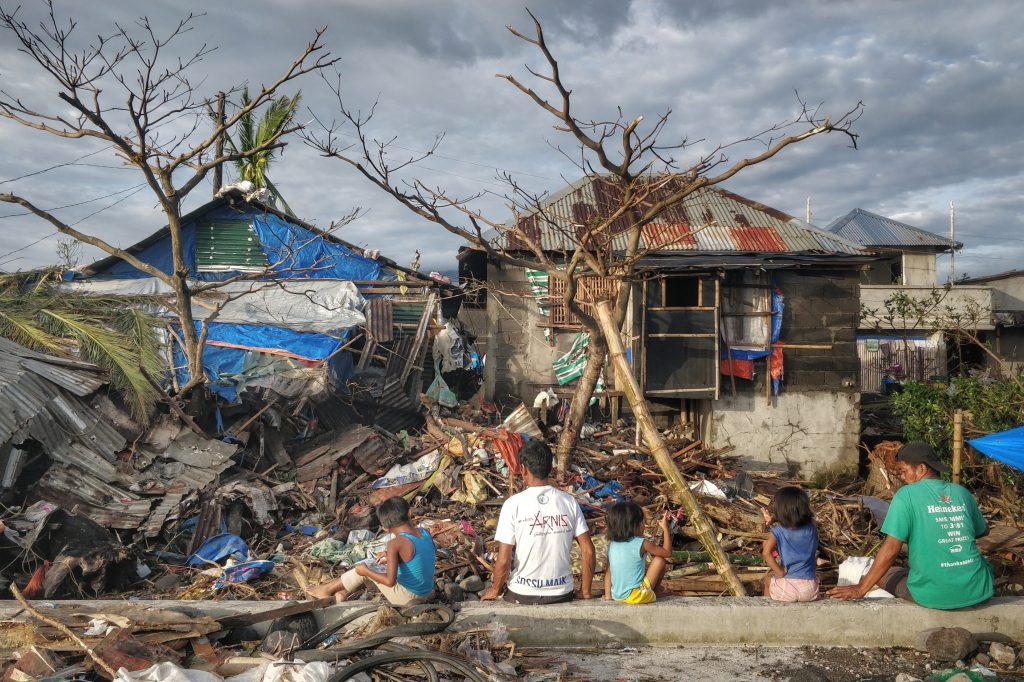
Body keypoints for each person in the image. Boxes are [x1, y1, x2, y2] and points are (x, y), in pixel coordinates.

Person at [828, 441, 993, 609]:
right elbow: (983, 530)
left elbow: (891, 548)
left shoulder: (906, 495)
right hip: (978, 590)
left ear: (921, 469)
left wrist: (860, 589)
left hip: (936, 595)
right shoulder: (961, 492)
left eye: (903, 471)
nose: (902, 477)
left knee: (881, 574)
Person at [480, 440, 595, 603]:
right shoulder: (569, 502)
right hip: (562, 593)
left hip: (523, 593)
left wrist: (495, 590)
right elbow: (588, 551)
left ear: (524, 469)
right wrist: (585, 591)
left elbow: (504, 559)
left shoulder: (513, 504)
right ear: (550, 468)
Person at [308, 496, 436, 605]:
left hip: (407, 598)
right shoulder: (425, 533)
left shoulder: (395, 544)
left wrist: (365, 571)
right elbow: (420, 556)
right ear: (409, 513)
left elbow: (389, 582)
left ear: (385, 528)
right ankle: (342, 593)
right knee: (375, 566)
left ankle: (326, 590)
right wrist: (389, 556)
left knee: (367, 565)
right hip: (427, 591)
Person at [603, 501, 673, 604]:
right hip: (637, 596)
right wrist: (665, 529)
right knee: (659, 560)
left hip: (617, 596)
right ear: (634, 525)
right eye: (643, 522)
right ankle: (655, 590)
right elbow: (667, 553)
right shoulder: (642, 543)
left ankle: (653, 591)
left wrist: (608, 596)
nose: (644, 526)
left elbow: (608, 572)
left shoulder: (612, 544)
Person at [761, 485, 820, 602]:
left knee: (768, 579)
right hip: (810, 588)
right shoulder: (812, 526)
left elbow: (766, 553)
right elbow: (806, 518)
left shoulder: (777, 531)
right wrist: (776, 519)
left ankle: (766, 611)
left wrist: (780, 572)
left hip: (787, 588)